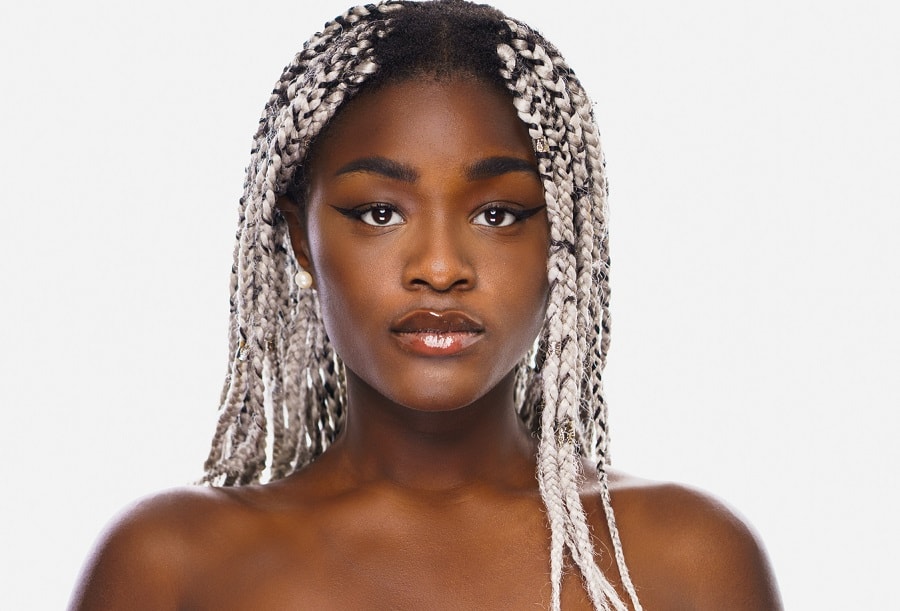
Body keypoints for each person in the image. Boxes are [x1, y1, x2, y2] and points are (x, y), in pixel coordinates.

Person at [69, 1, 782, 609]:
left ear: (562, 240)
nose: (440, 268)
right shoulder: (173, 566)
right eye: (379, 212)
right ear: (302, 239)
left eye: (499, 213)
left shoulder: (687, 562)